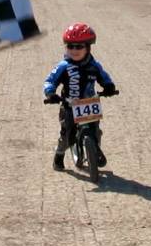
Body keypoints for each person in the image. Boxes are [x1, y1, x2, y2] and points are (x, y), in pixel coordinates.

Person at [43, 23, 117, 171]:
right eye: (70, 46)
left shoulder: (94, 65)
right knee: (66, 135)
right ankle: (59, 154)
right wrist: (50, 93)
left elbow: (104, 77)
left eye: (79, 46)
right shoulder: (63, 66)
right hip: (70, 104)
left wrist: (108, 87)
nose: (74, 50)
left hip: (89, 103)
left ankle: (94, 150)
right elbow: (50, 80)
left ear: (88, 47)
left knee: (95, 130)